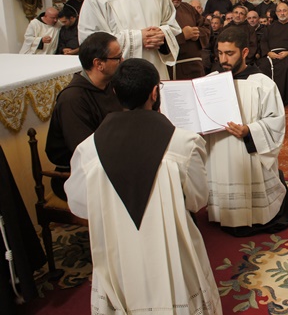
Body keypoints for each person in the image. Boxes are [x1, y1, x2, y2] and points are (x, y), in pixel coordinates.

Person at [65, 58, 222, 314]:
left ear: (115, 92)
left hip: (118, 252)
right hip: (172, 249)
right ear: (154, 93)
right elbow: (198, 200)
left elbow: (80, 205)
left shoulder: (88, 149)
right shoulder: (184, 144)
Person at [206, 27, 288, 236]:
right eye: (220, 53)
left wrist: (250, 130)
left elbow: (276, 121)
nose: (223, 60)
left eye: (230, 53)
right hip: (218, 151)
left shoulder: (262, 84)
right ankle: (222, 213)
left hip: (248, 153)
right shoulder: (210, 81)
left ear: (245, 52)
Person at [46, 32, 123, 200]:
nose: (122, 61)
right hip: (77, 176)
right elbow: (85, 151)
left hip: (109, 164)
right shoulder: (72, 99)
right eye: (117, 58)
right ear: (99, 64)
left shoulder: (110, 86)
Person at [163, 0, 210, 79]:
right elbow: (159, 42)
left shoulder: (188, 9)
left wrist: (197, 33)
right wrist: (182, 36)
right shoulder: (157, 10)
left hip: (196, 67)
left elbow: (206, 27)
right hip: (173, 70)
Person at [258, 2, 288, 107]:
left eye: (284, 10)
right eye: (279, 11)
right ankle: (268, 100)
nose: (282, 13)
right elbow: (263, 42)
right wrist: (269, 53)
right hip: (272, 55)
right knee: (263, 65)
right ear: (276, 13)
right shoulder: (270, 27)